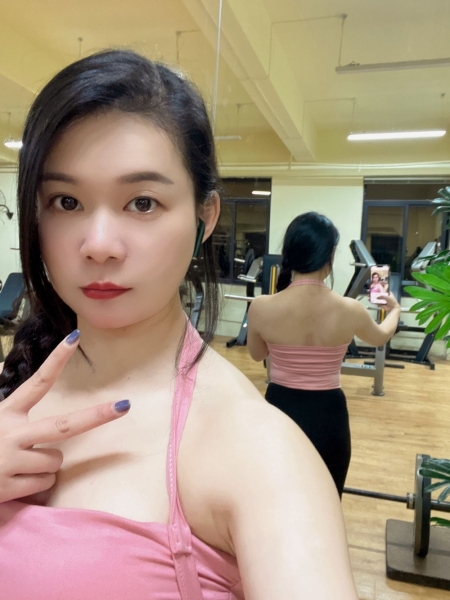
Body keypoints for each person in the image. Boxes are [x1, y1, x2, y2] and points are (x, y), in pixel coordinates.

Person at [0, 52, 358, 599]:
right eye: (66, 201)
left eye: (142, 203)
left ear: (204, 217)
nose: (98, 245)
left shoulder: (256, 449)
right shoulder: (16, 396)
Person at [247, 212, 401, 498]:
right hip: (329, 417)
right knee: (327, 501)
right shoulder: (350, 310)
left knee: (278, 500)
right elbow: (381, 336)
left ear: (290, 253)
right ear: (329, 256)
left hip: (281, 410)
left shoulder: (261, 307)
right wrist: (395, 309)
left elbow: (257, 355)